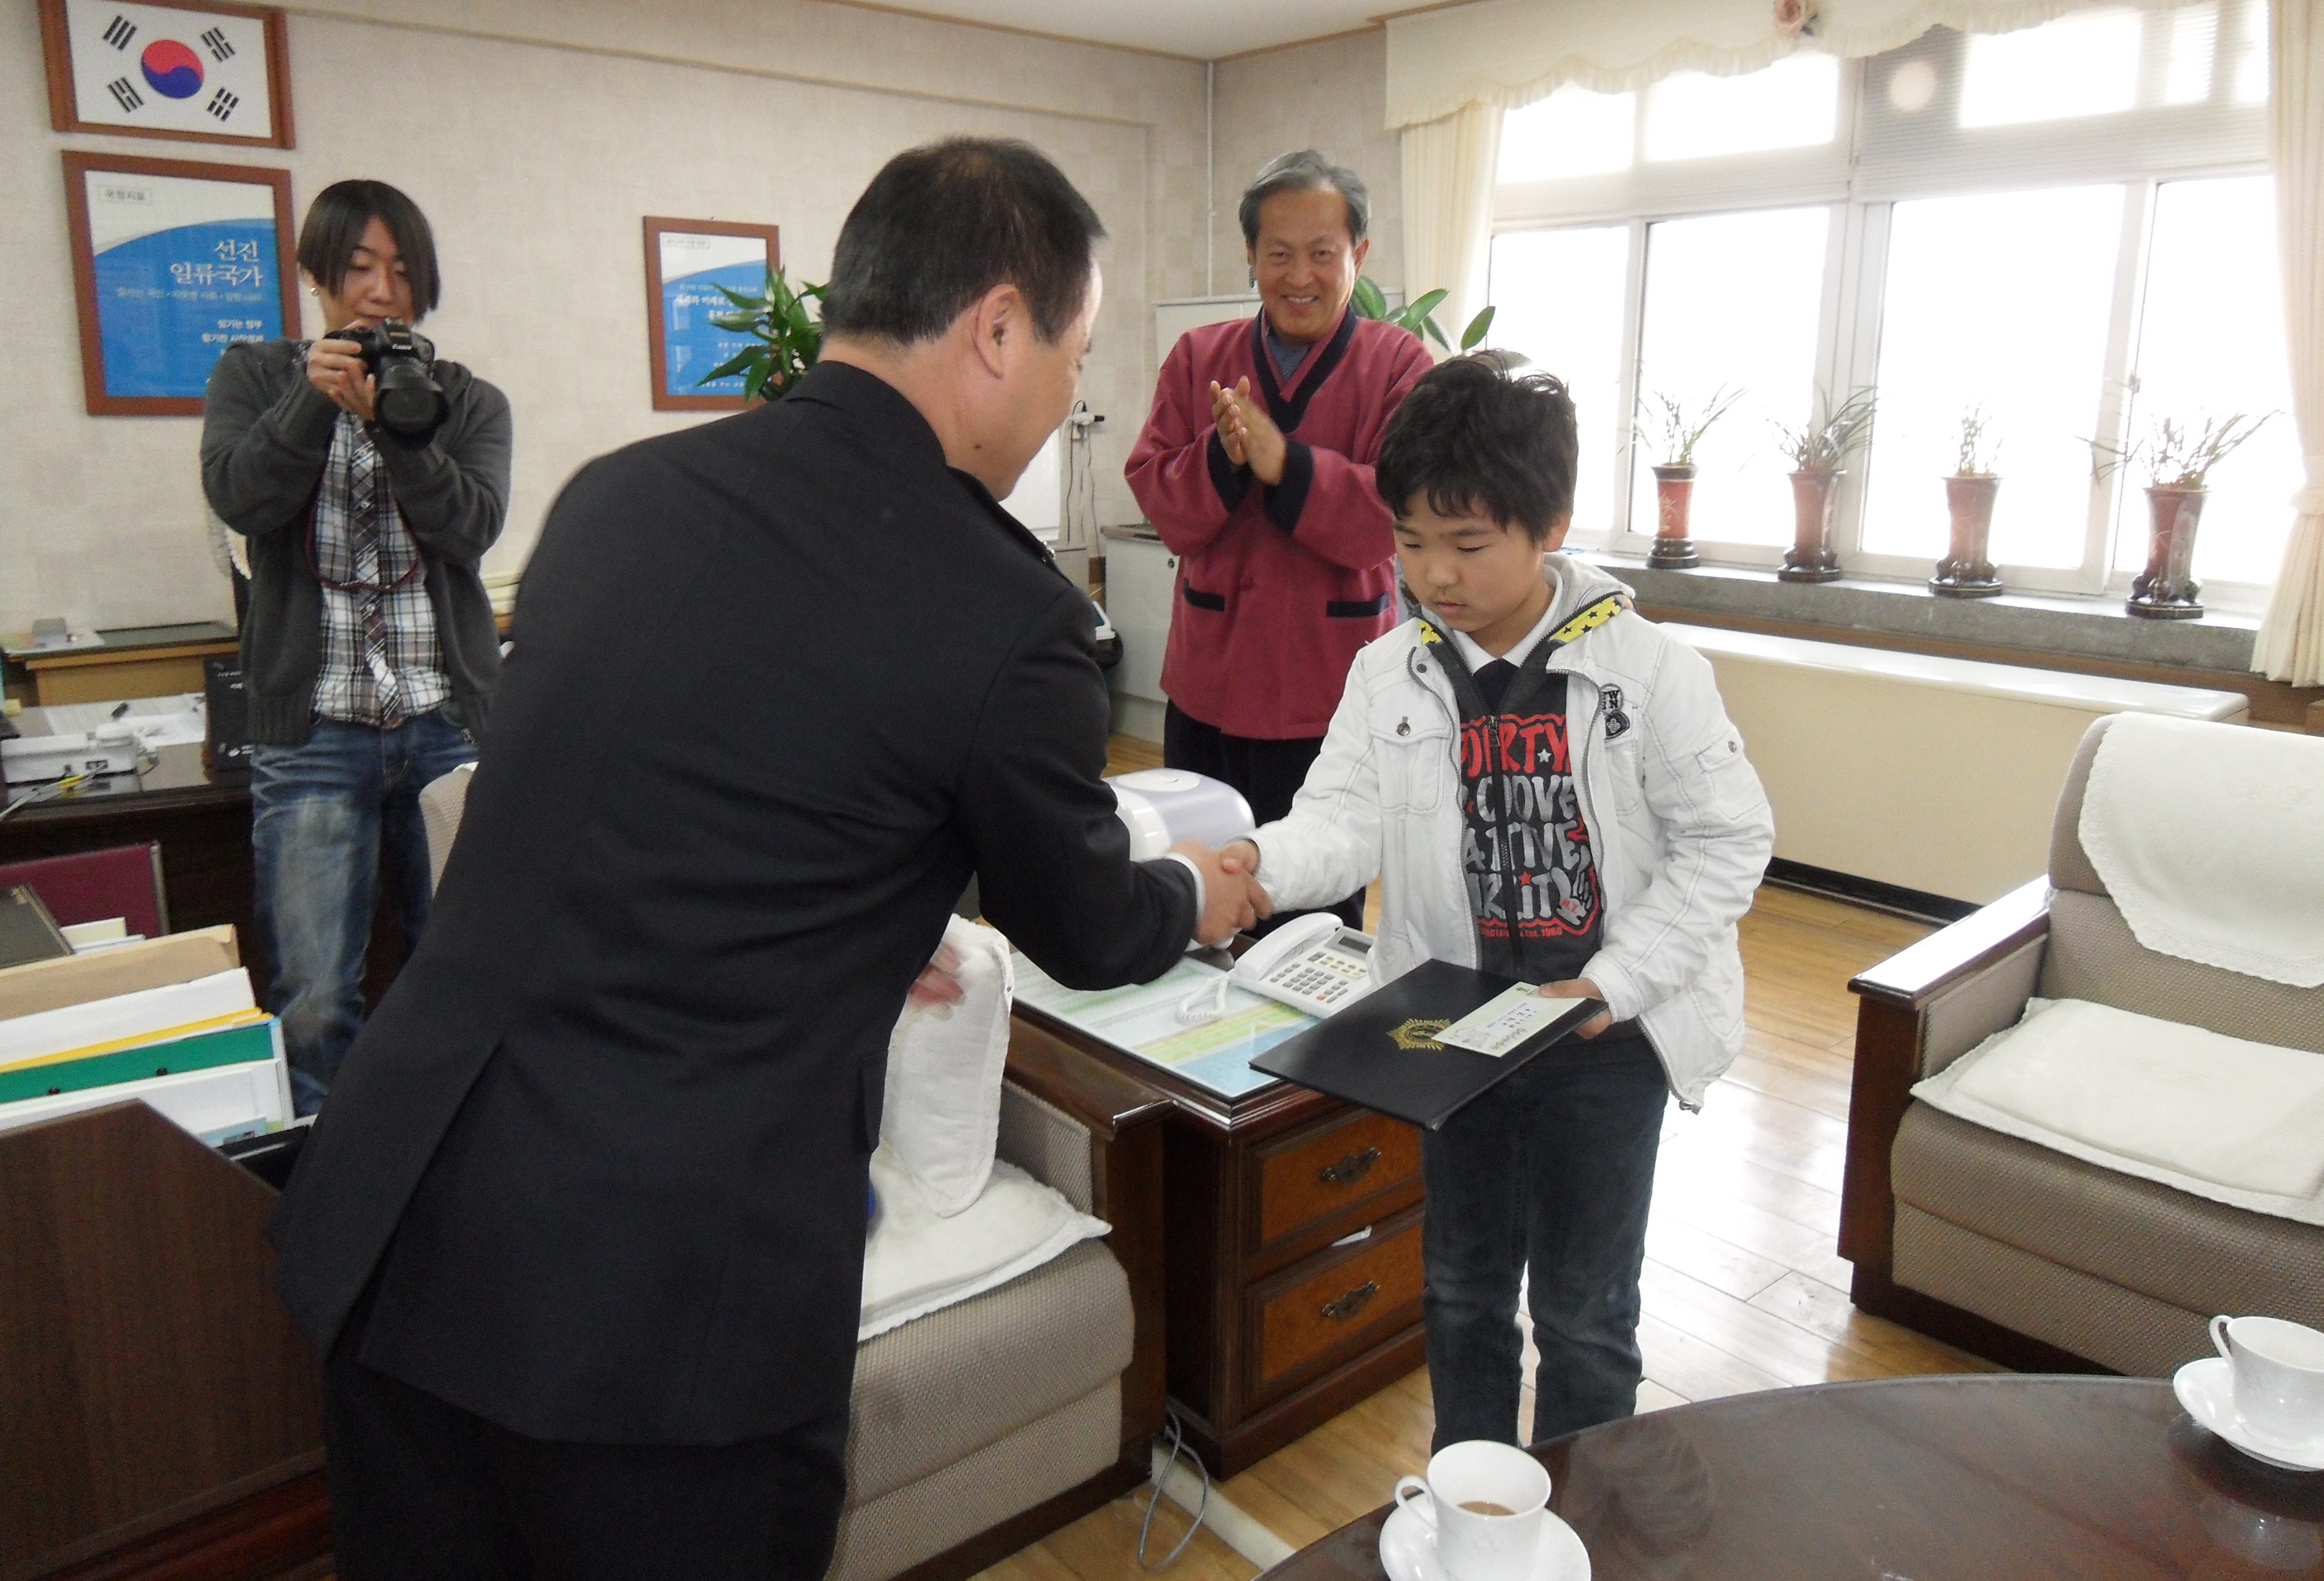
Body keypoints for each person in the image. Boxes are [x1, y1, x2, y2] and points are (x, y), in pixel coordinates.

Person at [268, 138, 1258, 1581]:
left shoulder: (618, 498)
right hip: (657, 1321)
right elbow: (1090, 924)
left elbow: (651, 803)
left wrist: (863, 921)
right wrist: (1193, 892)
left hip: (403, 1224)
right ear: (998, 328)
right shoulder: (1008, 614)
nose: (1068, 398)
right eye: (1074, 352)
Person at [1220, 357, 1774, 1446]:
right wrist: (1255, 867)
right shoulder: (1388, 672)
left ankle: (1581, 1504)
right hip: (1456, 1035)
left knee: (1585, 1316)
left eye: (1468, 544)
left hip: (1606, 1041)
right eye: (1410, 541)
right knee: (1460, 1292)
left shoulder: (1650, 671)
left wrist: (1617, 981)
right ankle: (1471, 1499)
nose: (1435, 574)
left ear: (1550, 525)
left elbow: (1727, 840)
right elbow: (1343, 819)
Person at [201, 180, 510, 1116]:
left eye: (404, 271)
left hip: (445, 726)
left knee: (463, 978)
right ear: (316, 275)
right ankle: (332, 1186)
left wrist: (398, 428)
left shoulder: (468, 400)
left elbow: (470, 530)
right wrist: (314, 404)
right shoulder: (255, 378)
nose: (383, 291)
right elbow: (242, 500)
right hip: (312, 734)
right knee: (315, 998)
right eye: (362, 267)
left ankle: (448, 1168)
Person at [1125, 150, 1432, 929]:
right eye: (1279, 255)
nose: (1300, 277)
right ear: (1251, 256)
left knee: (1313, 913)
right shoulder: (1199, 358)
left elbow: (1397, 518)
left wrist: (1284, 464)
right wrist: (1222, 458)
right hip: (1211, 684)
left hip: (1331, 697)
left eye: (1323, 254)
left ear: (1359, 254)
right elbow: (1160, 498)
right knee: (1201, 896)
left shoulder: (1399, 366)